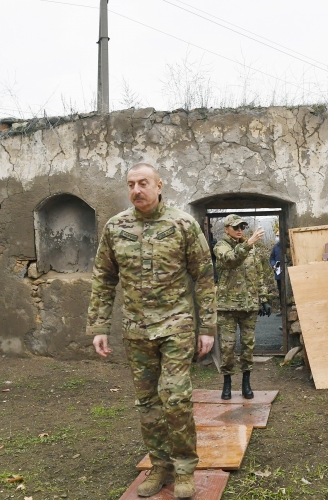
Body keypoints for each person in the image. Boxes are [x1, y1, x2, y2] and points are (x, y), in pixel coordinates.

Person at [87, 163, 215, 499]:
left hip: (177, 325)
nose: (136, 190)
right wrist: (99, 325)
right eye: (131, 184)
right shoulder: (116, 228)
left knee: (175, 397)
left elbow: (203, 277)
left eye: (143, 183)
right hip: (136, 329)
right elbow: (103, 278)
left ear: (159, 185)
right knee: (148, 402)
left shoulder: (183, 224)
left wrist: (209, 327)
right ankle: (160, 466)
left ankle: (185, 467)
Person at [213, 215, 272, 400]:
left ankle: (246, 382)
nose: (240, 230)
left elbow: (258, 273)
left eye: (243, 227)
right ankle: (227, 383)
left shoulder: (250, 246)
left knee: (248, 347)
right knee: (227, 348)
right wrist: (249, 242)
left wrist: (263, 299)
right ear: (227, 229)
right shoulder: (221, 246)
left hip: (248, 306)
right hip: (228, 307)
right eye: (236, 227)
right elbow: (231, 259)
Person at [269, 230, 282, 315]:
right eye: (276, 235)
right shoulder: (275, 247)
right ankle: (282, 309)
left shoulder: (287, 246)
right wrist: (273, 265)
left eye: (278, 235)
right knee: (280, 291)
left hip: (287, 273)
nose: (277, 237)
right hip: (278, 272)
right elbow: (272, 258)